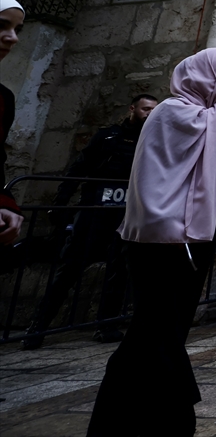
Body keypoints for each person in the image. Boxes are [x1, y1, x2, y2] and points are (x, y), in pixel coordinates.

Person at [87, 48, 216, 437]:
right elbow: (153, 179)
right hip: (161, 240)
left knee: (166, 330)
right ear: (208, 72)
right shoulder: (171, 113)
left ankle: (139, 417)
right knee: (153, 328)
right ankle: (174, 415)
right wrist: (171, 232)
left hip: (195, 238)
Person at [22, 95, 161, 349]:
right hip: (94, 212)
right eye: (146, 109)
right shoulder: (107, 137)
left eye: (154, 110)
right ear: (133, 109)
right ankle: (37, 327)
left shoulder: (152, 141)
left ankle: (106, 325)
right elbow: (80, 167)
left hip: (126, 214)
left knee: (118, 271)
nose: (150, 114)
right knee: (70, 267)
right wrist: (61, 203)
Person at [0, 0, 25, 247]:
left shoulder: (3, 98)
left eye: (16, 29)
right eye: (1, 26)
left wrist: (4, 204)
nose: (12, 38)